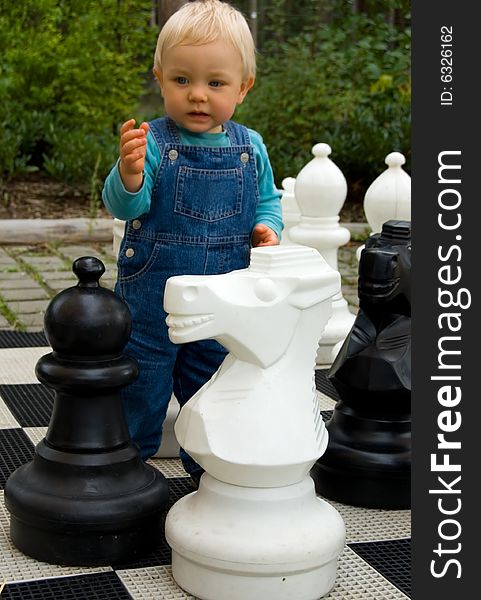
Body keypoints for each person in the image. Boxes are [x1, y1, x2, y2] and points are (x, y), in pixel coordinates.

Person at [102, 0, 283, 485]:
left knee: (214, 388)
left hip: (224, 303)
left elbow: (267, 202)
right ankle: (126, 471)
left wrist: (269, 231)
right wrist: (130, 174)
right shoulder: (152, 142)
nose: (197, 95)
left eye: (215, 83)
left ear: (243, 87)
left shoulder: (251, 147)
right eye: (182, 81)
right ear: (160, 78)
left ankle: (210, 476)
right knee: (141, 384)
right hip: (152, 302)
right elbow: (125, 207)